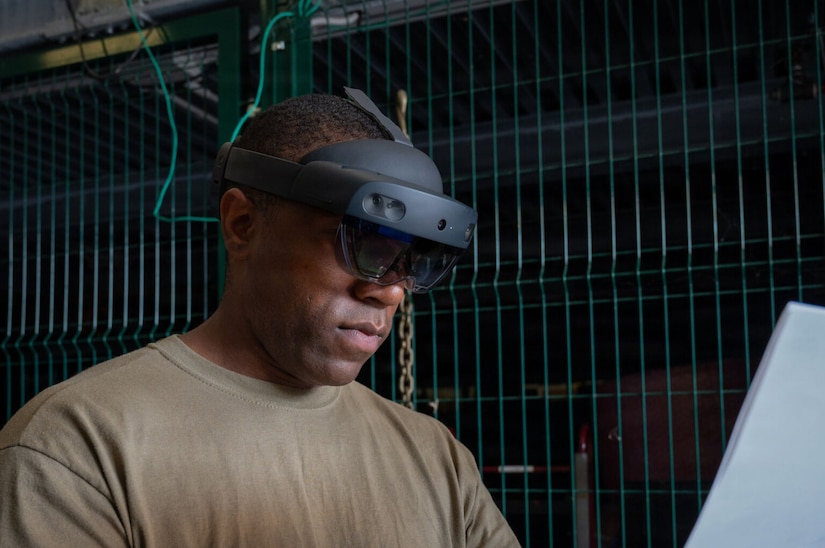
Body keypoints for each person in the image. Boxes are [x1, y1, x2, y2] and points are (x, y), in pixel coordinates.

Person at [0, 88, 521, 547]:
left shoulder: (438, 459)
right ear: (242, 224)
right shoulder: (77, 445)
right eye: (363, 245)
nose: (389, 292)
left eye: (412, 264)